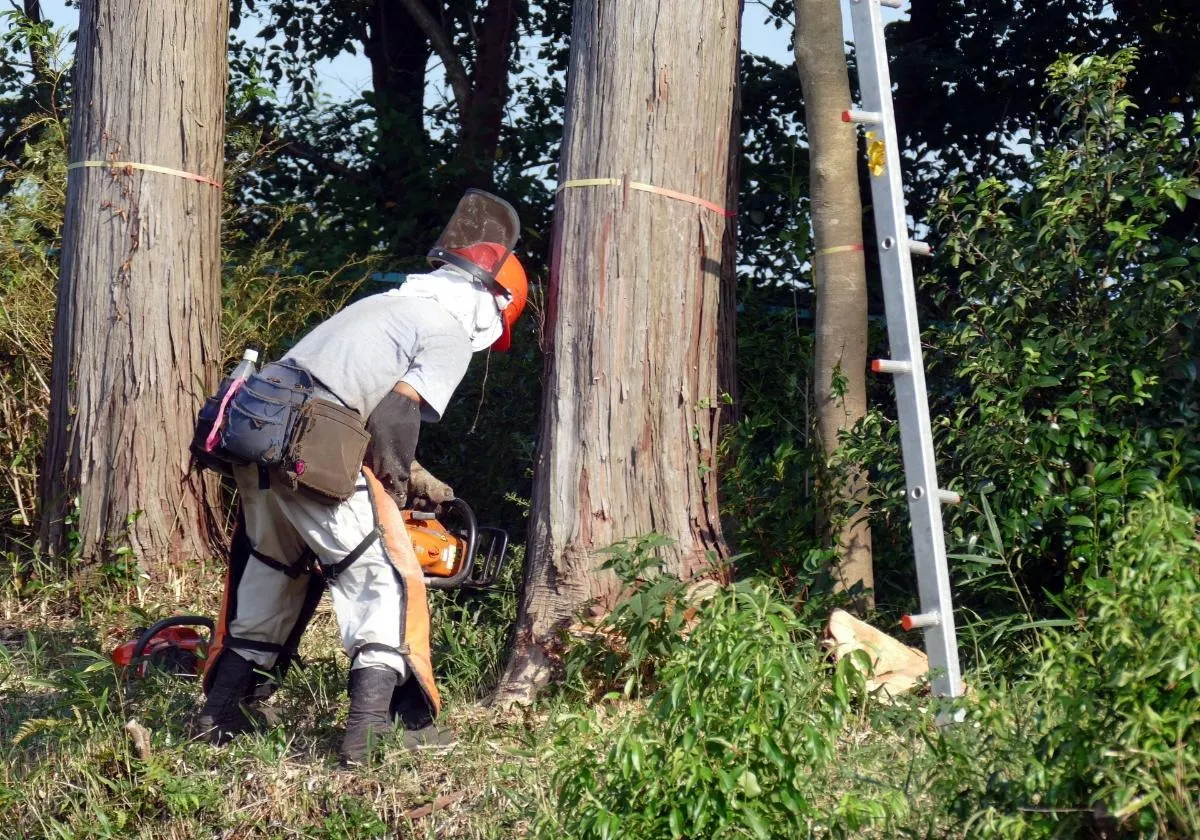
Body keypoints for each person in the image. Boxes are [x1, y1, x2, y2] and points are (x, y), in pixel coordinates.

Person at [194, 190, 528, 765]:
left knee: (275, 572)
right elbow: (397, 413)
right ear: (492, 304)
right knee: (384, 577)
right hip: (310, 445)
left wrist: (412, 470)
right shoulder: (447, 329)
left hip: (256, 438)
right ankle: (369, 727)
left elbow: (358, 400)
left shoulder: (380, 307)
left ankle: (222, 713)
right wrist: (395, 490)